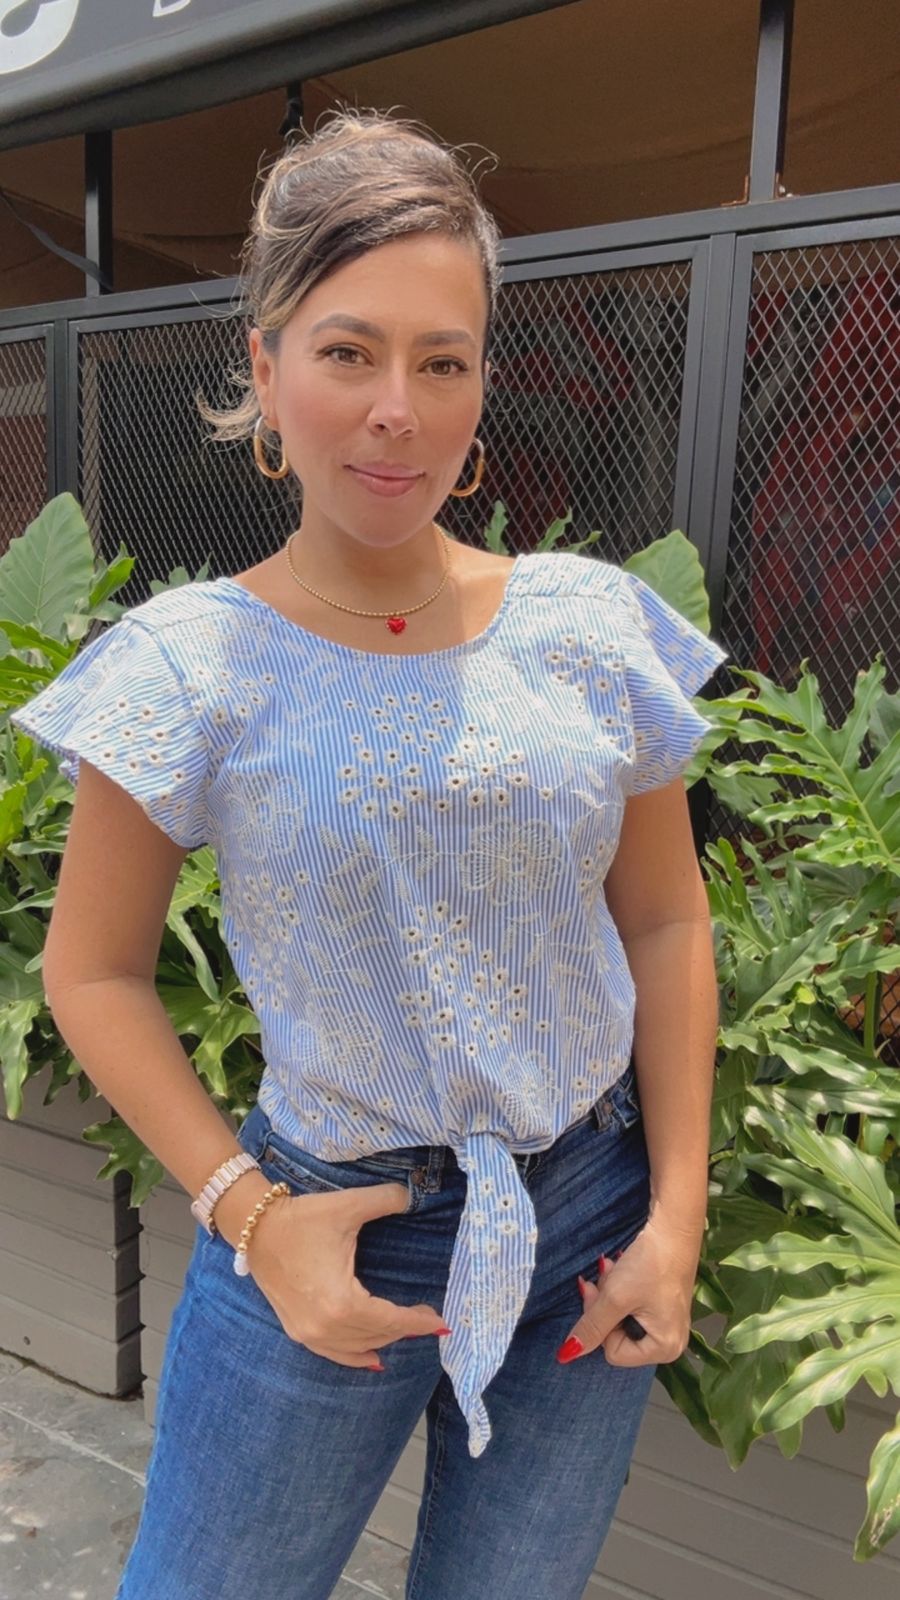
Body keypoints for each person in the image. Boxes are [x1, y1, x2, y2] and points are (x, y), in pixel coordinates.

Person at [10, 106, 729, 1600]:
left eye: (441, 360)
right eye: (348, 352)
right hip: (328, 1222)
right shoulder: (190, 664)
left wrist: (676, 1214)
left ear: (480, 383)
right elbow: (93, 974)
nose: (398, 408)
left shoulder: (590, 626)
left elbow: (665, 922)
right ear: (266, 370)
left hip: (588, 1228)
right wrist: (250, 1217)